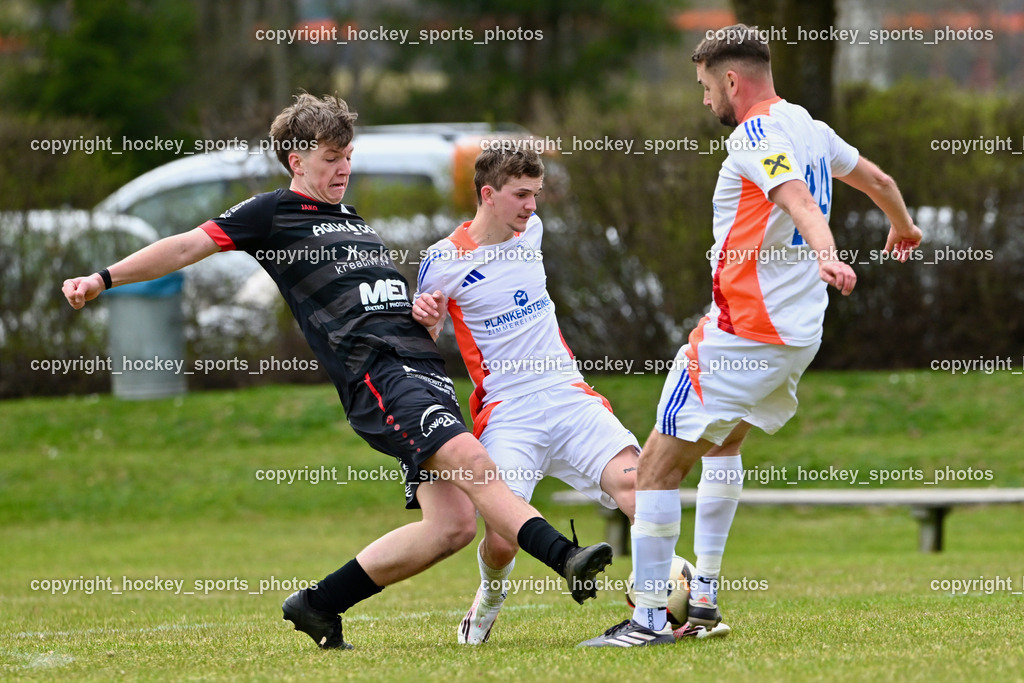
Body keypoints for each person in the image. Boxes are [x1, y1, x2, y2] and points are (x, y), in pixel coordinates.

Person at [61, 93, 614, 651]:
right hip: (377, 376)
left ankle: (318, 604)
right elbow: (185, 246)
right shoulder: (272, 214)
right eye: (330, 157)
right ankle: (564, 556)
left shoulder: (352, 219)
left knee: (451, 528)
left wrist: (426, 318)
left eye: (347, 155)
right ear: (297, 160)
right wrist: (103, 279)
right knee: (474, 462)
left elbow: (390, 306)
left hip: (421, 369)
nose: (343, 167)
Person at [581, 25, 922, 647]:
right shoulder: (808, 126)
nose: (704, 99)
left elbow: (794, 198)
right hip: (794, 336)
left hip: (747, 334)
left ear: (731, 80)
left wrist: (827, 253)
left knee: (654, 469)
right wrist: (902, 226)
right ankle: (703, 595)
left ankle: (649, 619)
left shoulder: (756, 133)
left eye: (706, 86)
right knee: (724, 444)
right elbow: (877, 180)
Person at [411, 146, 639, 645]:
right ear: (488, 195)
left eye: (536, 194)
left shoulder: (530, 232)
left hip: (567, 395)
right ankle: (489, 598)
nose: (532, 206)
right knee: (500, 538)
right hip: (508, 412)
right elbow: (422, 343)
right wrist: (427, 321)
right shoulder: (443, 260)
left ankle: (653, 610)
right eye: (521, 195)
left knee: (640, 488)